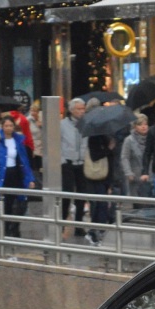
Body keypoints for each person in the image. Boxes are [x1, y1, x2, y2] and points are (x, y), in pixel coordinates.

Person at [0, 116, 36, 239]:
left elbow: (24, 161)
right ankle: (5, 230)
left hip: (16, 175)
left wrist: (30, 178)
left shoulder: (18, 140)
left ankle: (14, 227)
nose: (9, 128)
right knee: (5, 204)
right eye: (6, 126)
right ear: (2, 126)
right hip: (2, 176)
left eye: (11, 126)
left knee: (21, 203)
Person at [59, 98, 87, 237]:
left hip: (82, 163)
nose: (82, 112)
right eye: (79, 109)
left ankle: (79, 224)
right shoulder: (62, 124)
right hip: (68, 163)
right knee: (66, 194)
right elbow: (57, 143)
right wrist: (62, 160)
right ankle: (62, 223)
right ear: (71, 110)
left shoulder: (86, 124)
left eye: (83, 109)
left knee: (81, 196)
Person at [120, 113, 152, 198]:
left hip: (150, 177)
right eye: (140, 124)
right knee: (137, 202)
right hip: (135, 178)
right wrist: (128, 173)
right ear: (135, 126)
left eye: (145, 124)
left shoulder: (151, 138)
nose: (143, 127)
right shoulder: (129, 140)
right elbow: (125, 157)